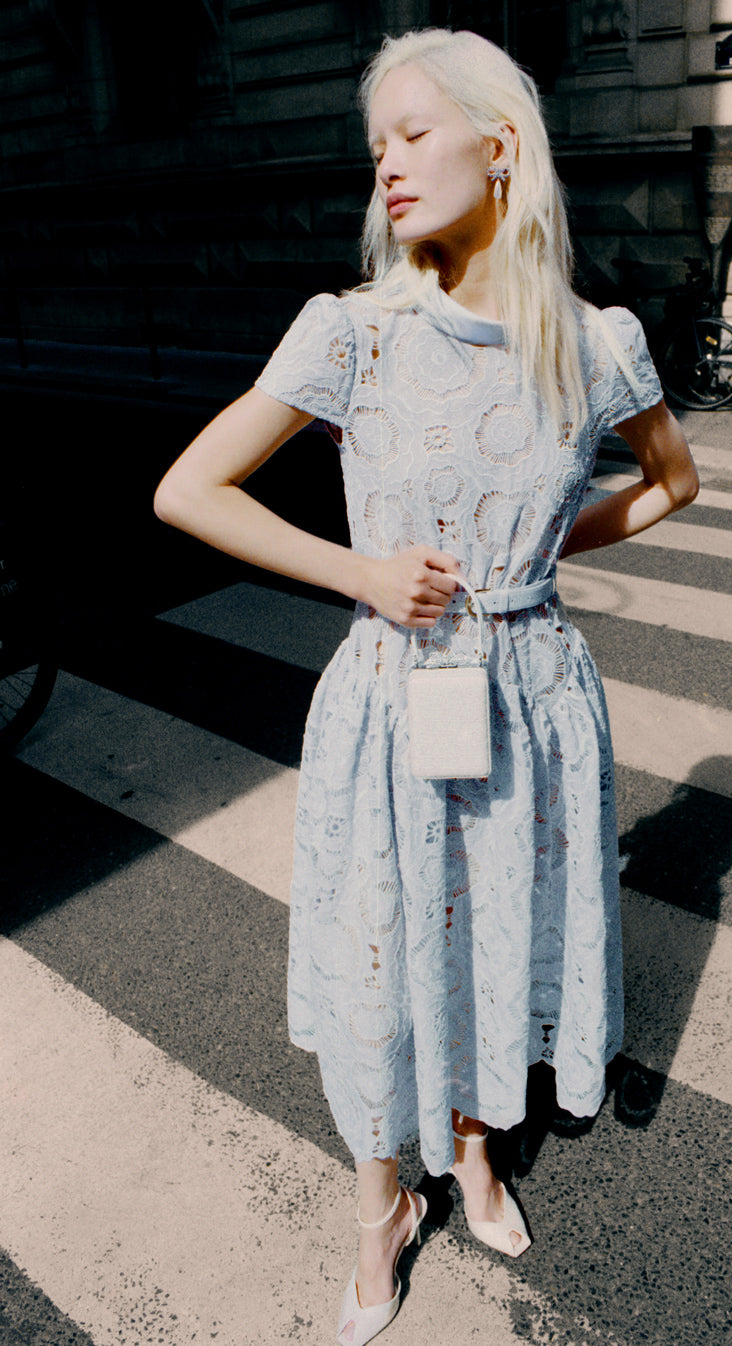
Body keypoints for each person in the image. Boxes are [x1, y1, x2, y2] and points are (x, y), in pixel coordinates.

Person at [154, 28, 698, 1346]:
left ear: (498, 145)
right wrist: (362, 569)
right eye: (378, 144)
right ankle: (380, 1200)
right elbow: (187, 489)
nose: (386, 164)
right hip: (398, 694)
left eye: (412, 133)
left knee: (494, 929)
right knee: (387, 950)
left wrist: (541, 545)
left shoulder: (594, 338)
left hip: (532, 685)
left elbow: (675, 480)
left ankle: (470, 1147)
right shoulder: (353, 335)